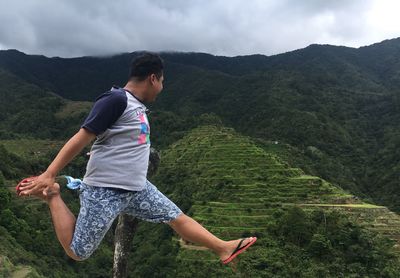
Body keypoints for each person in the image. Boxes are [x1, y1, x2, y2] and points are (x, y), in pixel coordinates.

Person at [17, 53, 257, 265]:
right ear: (153, 78)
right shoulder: (116, 100)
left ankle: (222, 248)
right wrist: (48, 174)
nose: (162, 87)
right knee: (78, 252)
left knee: (176, 217)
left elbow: (120, 141)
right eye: (162, 81)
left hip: (137, 187)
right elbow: (82, 137)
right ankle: (53, 195)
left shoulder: (136, 106)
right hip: (105, 190)